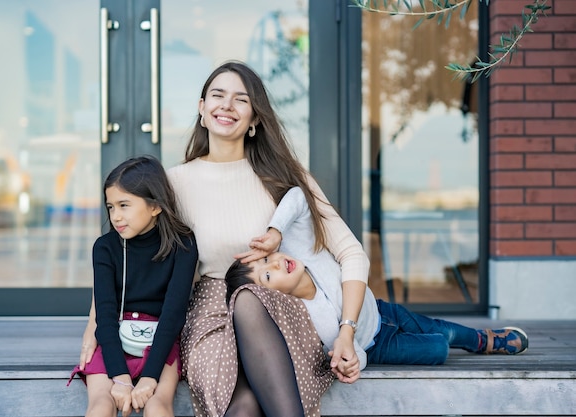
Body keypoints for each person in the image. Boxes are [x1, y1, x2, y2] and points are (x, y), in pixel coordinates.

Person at [79, 61, 368, 417]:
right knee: (243, 409)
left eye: (240, 99)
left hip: (278, 311)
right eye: (217, 95)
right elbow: (124, 254)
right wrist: (94, 327)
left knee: (249, 301)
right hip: (209, 310)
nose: (226, 105)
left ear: (255, 119)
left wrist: (346, 331)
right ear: (202, 109)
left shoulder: (287, 178)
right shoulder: (174, 183)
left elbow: (351, 253)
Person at [226, 186, 529, 372]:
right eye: (268, 274)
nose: (277, 263)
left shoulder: (298, 247)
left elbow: (298, 196)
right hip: (377, 345)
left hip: (382, 311)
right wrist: (352, 363)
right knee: (438, 348)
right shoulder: (306, 321)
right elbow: (349, 352)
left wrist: (275, 230)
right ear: (272, 297)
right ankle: (459, 342)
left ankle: (483, 340)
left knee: (441, 328)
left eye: (268, 259)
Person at [69, 155, 198, 417]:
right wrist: (120, 376)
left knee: (157, 406)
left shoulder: (183, 245)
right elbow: (104, 317)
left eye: (124, 205)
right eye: (110, 207)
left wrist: (150, 377)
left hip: (160, 341)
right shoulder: (105, 248)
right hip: (114, 337)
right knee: (101, 405)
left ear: (155, 206)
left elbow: (173, 317)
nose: (116, 216)